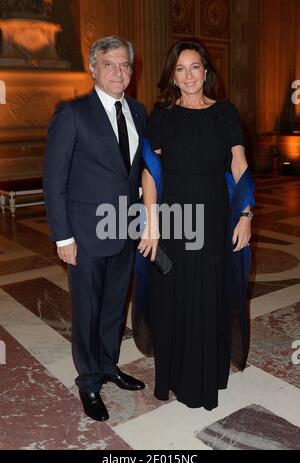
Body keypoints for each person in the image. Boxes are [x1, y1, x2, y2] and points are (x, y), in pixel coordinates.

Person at [137, 38, 255, 411]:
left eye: (195, 67)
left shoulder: (225, 113)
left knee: (209, 295)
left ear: (206, 71)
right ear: (173, 76)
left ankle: (205, 377)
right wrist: (151, 223)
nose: (188, 75)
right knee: (174, 296)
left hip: (216, 217)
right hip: (175, 220)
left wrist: (246, 214)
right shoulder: (162, 116)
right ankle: (175, 374)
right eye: (180, 68)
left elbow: (239, 165)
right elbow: (150, 173)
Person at [43, 36, 146, 422]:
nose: (119, 72)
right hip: (85, 233)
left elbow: (132, 173)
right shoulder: (72, 112)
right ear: (93, 68)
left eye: (125, 65)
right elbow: (55, 180)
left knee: (114, 308)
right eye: (110, 64)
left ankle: (108, 366)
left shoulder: (137, 111)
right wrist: (63, 236)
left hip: (124, 229)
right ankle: (88, 381)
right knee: (86, 309)